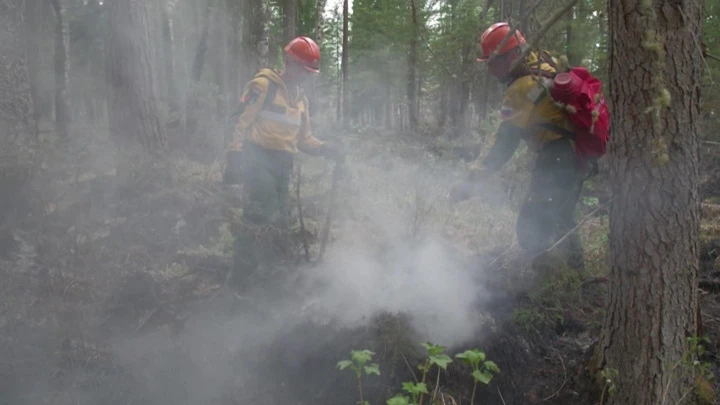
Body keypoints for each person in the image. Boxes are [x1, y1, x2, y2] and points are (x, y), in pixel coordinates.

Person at [450, 22, 585, 270]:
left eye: (493, 61)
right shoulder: (544, 65)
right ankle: (576, 281)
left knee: (532, 227)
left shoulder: (522, 87)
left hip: (558, 156)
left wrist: (471, 181)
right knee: (562, 217)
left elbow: (504, 143)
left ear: (512, 55)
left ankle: (546, 284)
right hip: (575, 155)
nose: (490, 69)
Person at [226, 36, 343, 290]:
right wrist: (234, 156)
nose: (307, 76)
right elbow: (239, 121)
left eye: (310, 72)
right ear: (289, 62)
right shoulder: (263, 86)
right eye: (304, 69)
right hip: (257, 159)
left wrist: (326, 149)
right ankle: (238, 284)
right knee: (257, 217)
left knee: (280, 221)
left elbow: (305, 139)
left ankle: (273, 277)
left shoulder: (300, 101)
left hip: (283, 165)